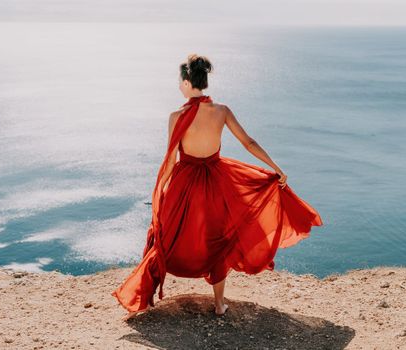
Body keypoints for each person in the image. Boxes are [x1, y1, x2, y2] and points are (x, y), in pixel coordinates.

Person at [111, 54, 323, 321]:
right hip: (217, 181)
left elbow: (170, 160)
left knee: (168, 233)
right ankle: (219, 304)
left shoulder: (177, 116)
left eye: (181, 82)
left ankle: (151, 293)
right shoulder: (221, 111)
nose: (179, 86)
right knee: (218, 238)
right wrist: (275, 168)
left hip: (185, 183)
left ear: (188, 82)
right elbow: (248, 142)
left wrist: (160, 192)